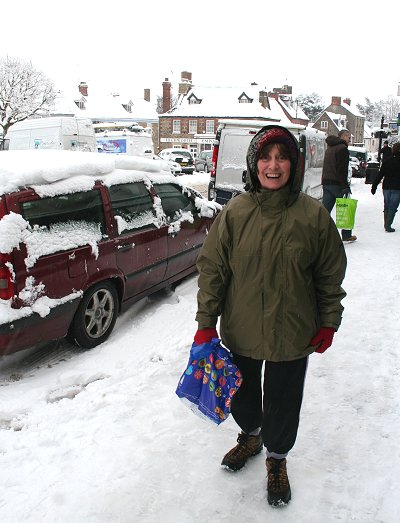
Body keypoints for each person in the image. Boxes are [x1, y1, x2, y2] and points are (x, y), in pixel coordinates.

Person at [193, 125, 347, 507]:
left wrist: (329, 319)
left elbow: (330, 274)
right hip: (242, 327)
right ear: (254, 163)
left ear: (293, 165)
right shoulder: (236, 213)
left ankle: (277, 458)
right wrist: (205, 324)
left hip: (293, 330)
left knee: (283, 400)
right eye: (266, 157)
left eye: (282, 157)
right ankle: (251, 435)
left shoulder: (313, 217)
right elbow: (213, 270)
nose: (273, 165)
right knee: (243, 396)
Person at [321, 129, 357, 242]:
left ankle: (320, 233)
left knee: (325, 211)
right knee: (346, 208)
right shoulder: (342, 149)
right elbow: (342, 170)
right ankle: (346, 235)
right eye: (347, 136)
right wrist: (345, 186)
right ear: (342, 136)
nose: (349, 138)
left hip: (327, 182)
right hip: (338, 184)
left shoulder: (329, 148)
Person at [371, 142, 400, 232]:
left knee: (387, 205)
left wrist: (374, 186)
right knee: (393, 206)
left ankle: (386, 224)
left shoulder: (387, 160)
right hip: (397, 187)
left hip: (386, 186)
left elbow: (380, 174)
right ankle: (388, 225)